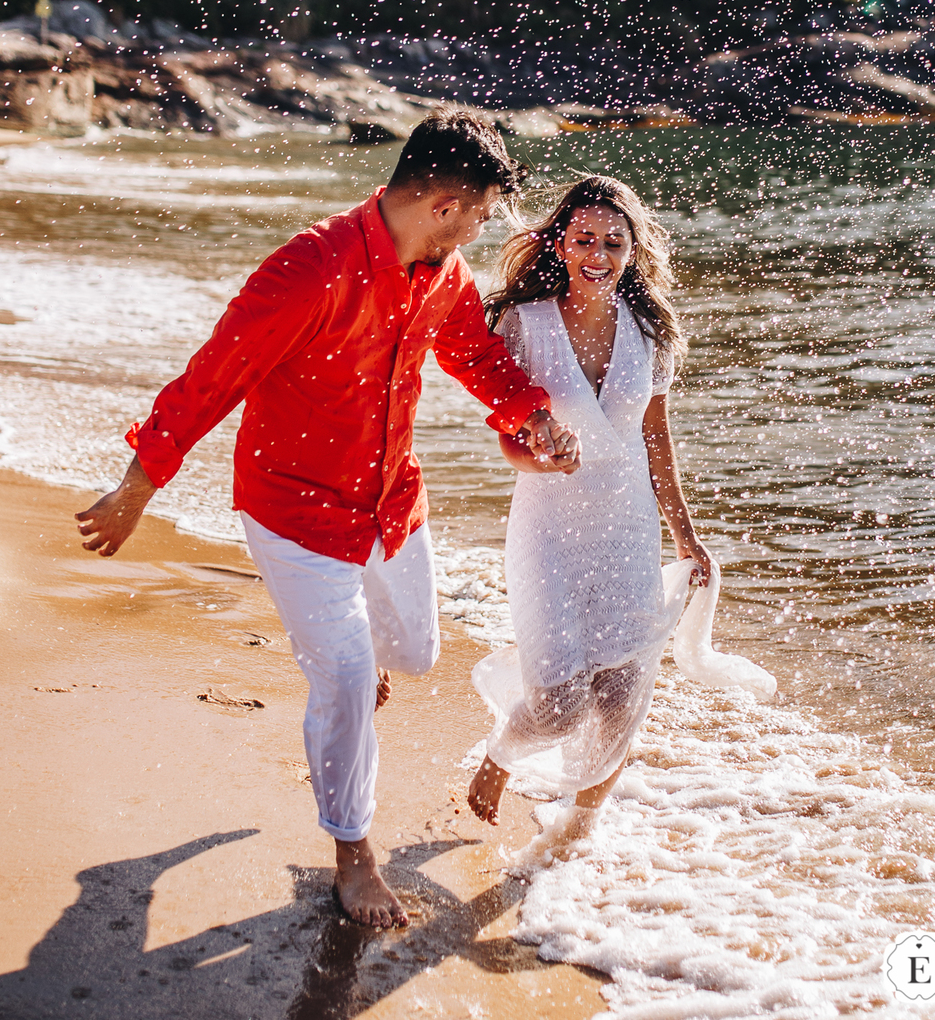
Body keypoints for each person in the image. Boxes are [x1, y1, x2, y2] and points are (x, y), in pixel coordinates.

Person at [75, 110, 581, 929]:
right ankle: (352, 855)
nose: (483, 232)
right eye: (483, 214)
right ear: (446, 206)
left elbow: (472, 354)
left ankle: (339, 660)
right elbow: (214, 377)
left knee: (415, 653)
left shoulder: (440, 273)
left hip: (390, 504)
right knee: (346, 681)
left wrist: (529, 415)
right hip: (294, 510)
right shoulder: (310, 270)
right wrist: (137, 486)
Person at [467, 175, 711, 830]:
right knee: (559, 702)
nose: (597, 254)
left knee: (620, 700)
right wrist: (539, 455)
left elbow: (655, 437)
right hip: (547, 526)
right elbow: (509, 443)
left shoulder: (650, 332)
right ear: (560, 245)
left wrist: (685, 535)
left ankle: (572, 841)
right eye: (584, 239)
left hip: (628, 527)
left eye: (613, 241)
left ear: (633, 251)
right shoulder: (525, 324)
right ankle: (500, 756)